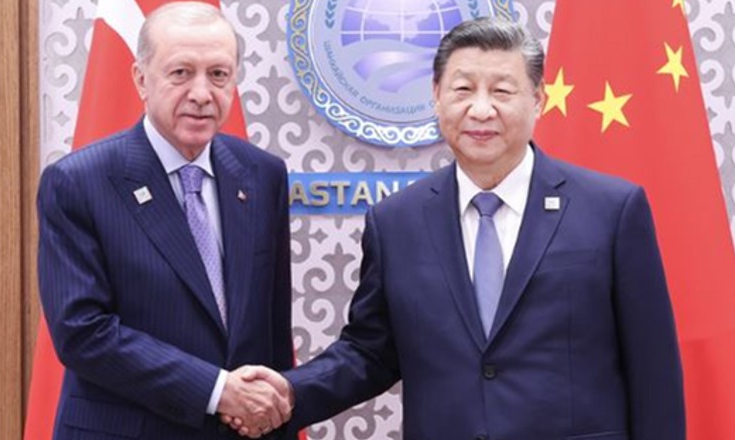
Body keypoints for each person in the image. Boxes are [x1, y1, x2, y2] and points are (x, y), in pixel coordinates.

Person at [234, 17, 686, 440]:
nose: (481, 109)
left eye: (502, 91)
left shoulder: (611, 210)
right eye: (463, 89)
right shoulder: (397, 221)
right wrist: (290, 392)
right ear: (436, 95)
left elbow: (653, 370)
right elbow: (370, 351)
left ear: (538, 98)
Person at [37, 2, 295, 439]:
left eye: (218, 74)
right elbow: (83, 333)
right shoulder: (78, 182)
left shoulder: (262, 175)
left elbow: (272, 334)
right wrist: (217, 391)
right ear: (141, 78)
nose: (202, 93)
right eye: (181, 73)